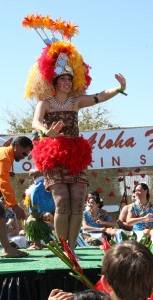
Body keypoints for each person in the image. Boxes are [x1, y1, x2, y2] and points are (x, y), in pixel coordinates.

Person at [23, 14, 127, 255]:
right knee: (62, 202)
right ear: (55, 80)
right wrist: (45, 132)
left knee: (78, 202)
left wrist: (120, 88)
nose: (68, 82)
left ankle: (71, 248)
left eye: (70, 78)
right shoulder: (46, 102)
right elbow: (35, 121)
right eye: (64, 79)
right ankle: (62, 246)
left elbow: (100, 96)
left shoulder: (76, 101)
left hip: (76, 153)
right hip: (54, 154)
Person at [25, 168, 55, 250]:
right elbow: (31, 173)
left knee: (56, 213)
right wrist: (42, 168)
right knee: (35, 216)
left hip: (52, 186)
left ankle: (62, 242)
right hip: (40, 188)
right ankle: (39, 243)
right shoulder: (38, 163)